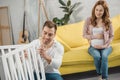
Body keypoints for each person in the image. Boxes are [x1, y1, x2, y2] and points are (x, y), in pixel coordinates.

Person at [83, 0, 114, 80]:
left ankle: (104, 78)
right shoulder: (88, 20)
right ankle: (99, 73)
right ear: (94, 10)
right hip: (93, 47)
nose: (98, 12)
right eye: (96, 10)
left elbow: (111, 36)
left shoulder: (108, 22)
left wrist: (106, 45)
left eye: (101, 10)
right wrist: (95, 36)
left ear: (104, 11)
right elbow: (84, 35)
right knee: (97, 56)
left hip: (106, 46)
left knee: (104, 56)